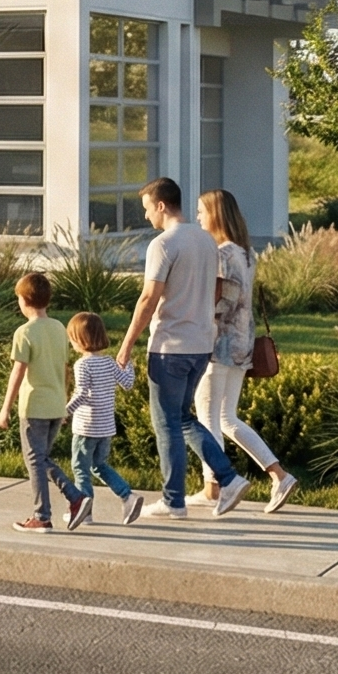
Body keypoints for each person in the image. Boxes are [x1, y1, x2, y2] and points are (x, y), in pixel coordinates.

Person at [116, 176, 248, 518]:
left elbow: (148, 297)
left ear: (161, 205)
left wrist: (127, 343)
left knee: (167, 423)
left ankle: (184, 496)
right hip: (202, 344)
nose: (147, 217)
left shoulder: (163, 244)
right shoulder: (207, 241)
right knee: (181, 418)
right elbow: (215, 290)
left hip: (170, 346)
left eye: (148, 209)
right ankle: (215, 483)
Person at [195, 189, 301, 514]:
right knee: (227, 418)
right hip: (242, 344)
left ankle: (217, 488)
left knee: (207, 419)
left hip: (218, 345)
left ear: (215, 214)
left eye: (201, 212)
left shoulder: (223, 253)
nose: (198, 217)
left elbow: (223, 301)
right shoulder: (246, 252)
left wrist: (195, 320)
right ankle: (279, 476)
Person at [0, 272, 88, 533]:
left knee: (35, 461)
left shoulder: (24, 332)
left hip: (34, 405)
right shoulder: (59, 328)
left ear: (24, 300)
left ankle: (44, 515)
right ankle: (73, 498)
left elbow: (18, 372)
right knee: (41, 458)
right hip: (55, 404)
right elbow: (63, 368)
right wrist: (63, 402)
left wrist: (5, 409)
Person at [64, 311, 142, 524]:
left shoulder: (83, 365)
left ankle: (84, 512)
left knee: (80, 468)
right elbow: (127, 383)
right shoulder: (108, 362)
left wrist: (64, 412)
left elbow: (81, 394)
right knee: (99, 465)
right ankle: (127, 496)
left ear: (80, 340)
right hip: (106, 427)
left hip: (86, 427)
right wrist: (129, 364)